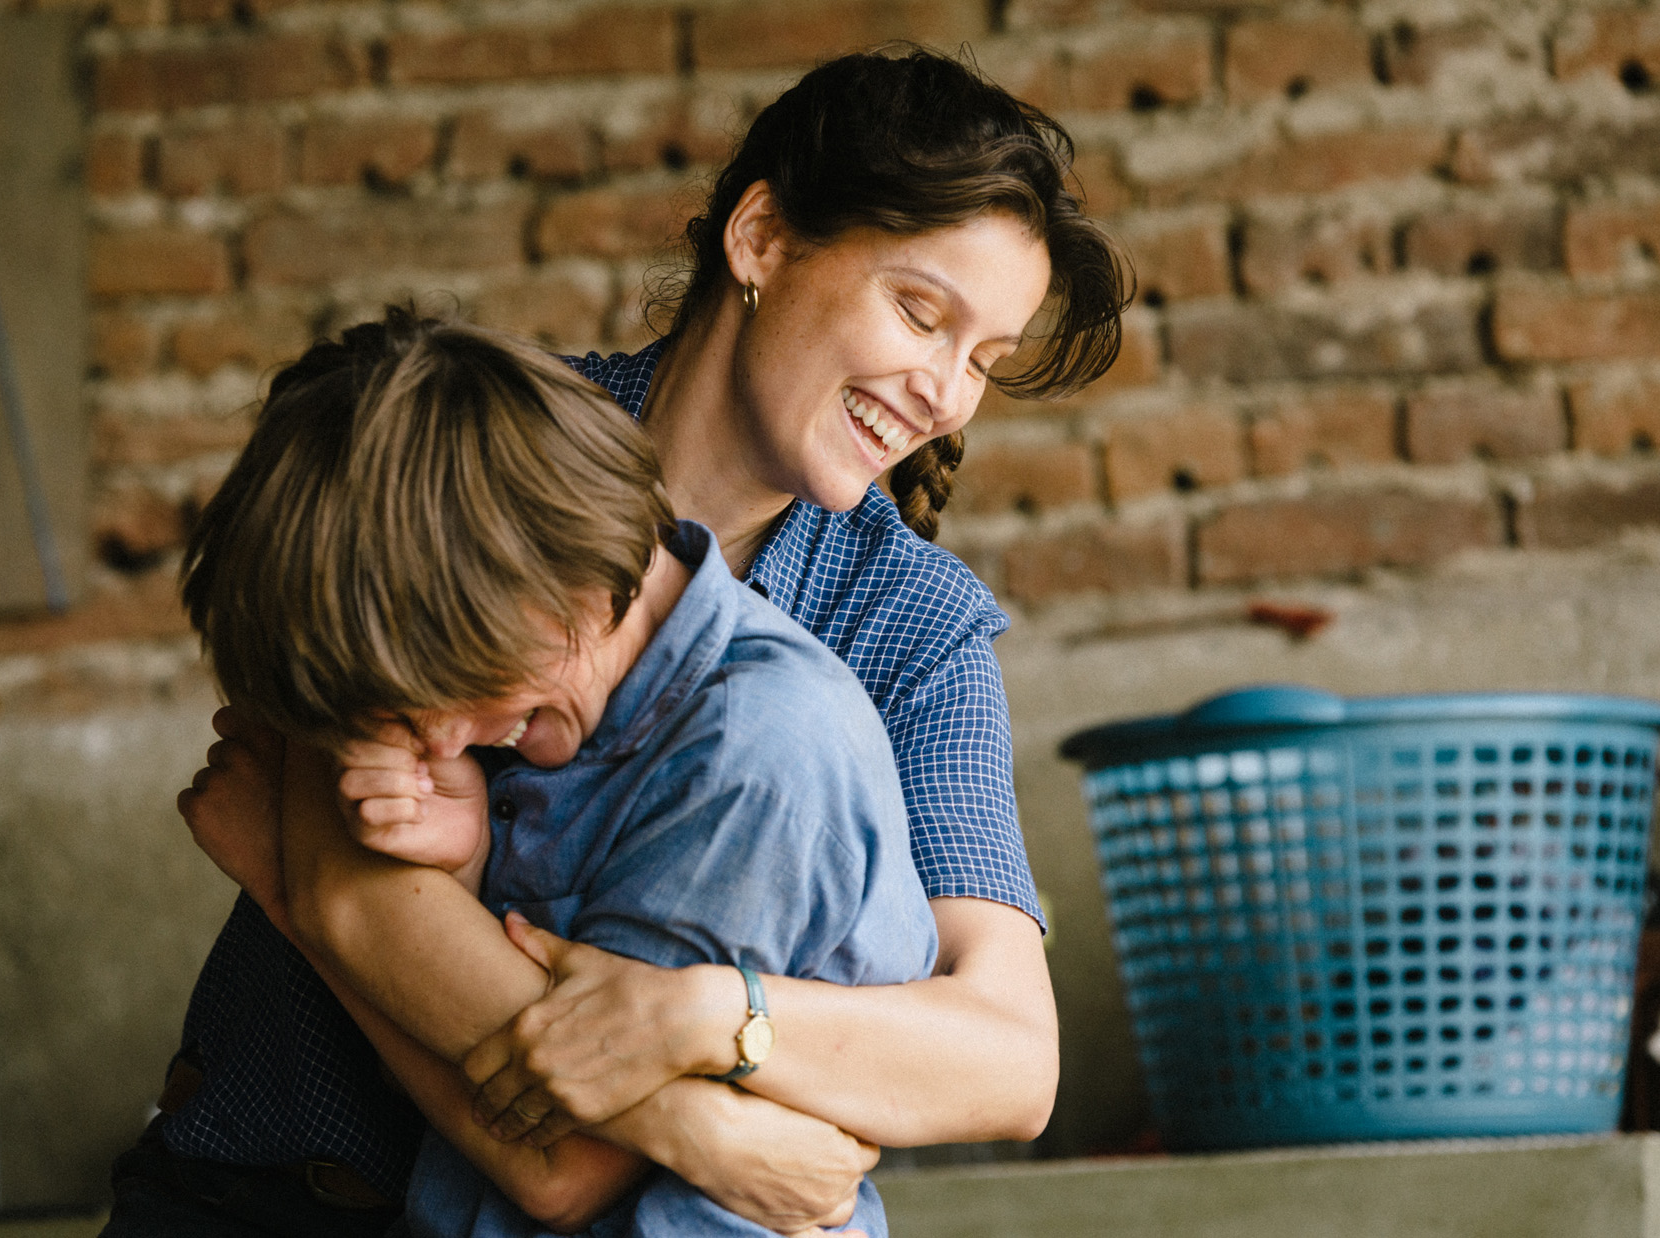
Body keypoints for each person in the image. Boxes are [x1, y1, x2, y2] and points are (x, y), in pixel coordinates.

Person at [144, 44, 1130, 1233]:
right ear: (760, 237)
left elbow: (1006, 1058)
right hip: (265, 1194)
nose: (946, 393)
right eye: (920, 312)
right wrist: (705, 1122)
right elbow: (354, 879)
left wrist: (707, 1017)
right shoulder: (479, 447)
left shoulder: (909, 629)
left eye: (985, 360)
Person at [110, 307, 936, 1237]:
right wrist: (455, 861)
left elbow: (561, 1165)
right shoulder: (544, 685)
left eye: (440, 697)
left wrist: (293, 882)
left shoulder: (753, 758)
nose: (435, 740)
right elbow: (493, 1046)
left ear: (560, 592)